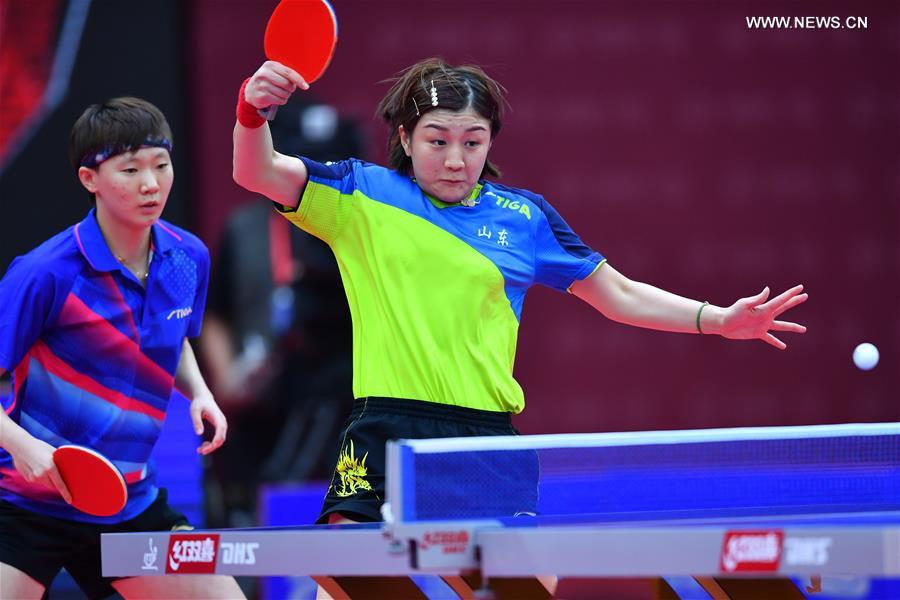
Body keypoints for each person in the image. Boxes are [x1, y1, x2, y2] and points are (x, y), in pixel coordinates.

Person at [232, 58, 808, 527]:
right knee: (345, 582)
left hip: (485, 438)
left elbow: (619, 294)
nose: (456, 160)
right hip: (387, 429)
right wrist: (252, 113)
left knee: (527, 587)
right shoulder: (360, 196)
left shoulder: (523, 217)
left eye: (473, 141)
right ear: (405, 138)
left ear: (489, 143)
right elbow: (256, 172)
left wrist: (718, 319)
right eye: (437, 140)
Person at [0, 97, 244, 599]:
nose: (151, 183)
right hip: (24, 504)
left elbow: (169, 336)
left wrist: (197, 391)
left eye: (160, 165)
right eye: (130, 169)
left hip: (126, 502)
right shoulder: (45, 273)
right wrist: (23, 446)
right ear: (90, 179)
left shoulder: (188, 258)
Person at [200, 96, 360, 529]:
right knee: (261, 514)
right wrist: (229, 378)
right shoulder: (244, 228)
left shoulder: (362, 228)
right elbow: (215, 312)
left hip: (346, 395)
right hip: (262, 404)